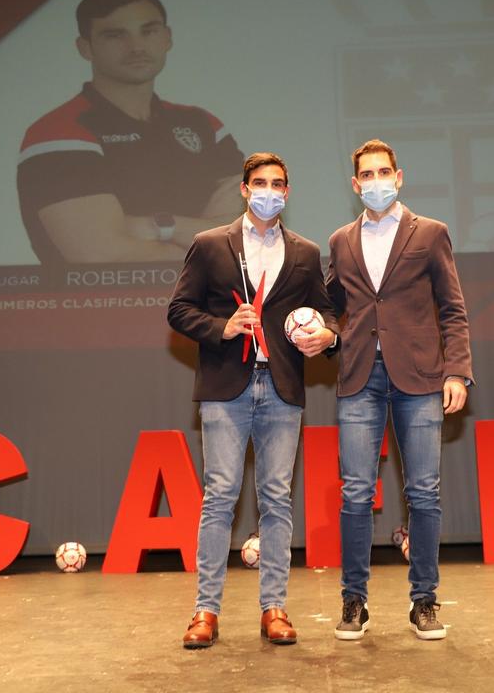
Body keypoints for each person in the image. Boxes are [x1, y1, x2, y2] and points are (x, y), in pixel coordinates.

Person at [167, 152, 339, 649]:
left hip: (282, 388)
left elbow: (328, 313)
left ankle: (274, 608)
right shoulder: (209, 244)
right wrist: (221, 327)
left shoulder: (305, 252)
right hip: (226, 387)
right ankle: (205, 610)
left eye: (278, 184)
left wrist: (326, 336)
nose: (269, 191)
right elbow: (179, 309)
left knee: (277, 500)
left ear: (287, 192)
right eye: (260, 182)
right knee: (220, 496)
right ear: (244, 189)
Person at [325, 139, 473, 641]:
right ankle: (354, 601)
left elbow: (452, 308)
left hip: (421, 377)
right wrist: (319, 330)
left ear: (399, 176)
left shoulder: (430, 233)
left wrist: (457, 371)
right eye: (366, 175)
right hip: (359, 376)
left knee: (424, 492)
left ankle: (424, 600)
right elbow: (331, 307)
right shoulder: (340, 241)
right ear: (355, 184)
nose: (376, 182)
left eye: (383, 172)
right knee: (355, 492)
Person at [17, 0, 244, 264]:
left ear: (167, 38)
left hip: (208, 294)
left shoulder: (203, 125)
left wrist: (162, 226)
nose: (136, 47)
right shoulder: (59, 132)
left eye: (148, 31)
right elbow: (101, 255)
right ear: (85, 47)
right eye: (115, 35)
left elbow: (257, 236)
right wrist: (212, 247)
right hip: (109, 297)